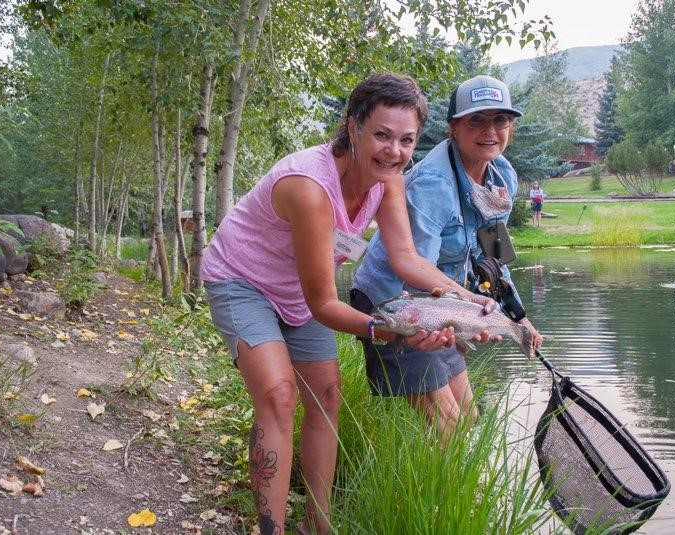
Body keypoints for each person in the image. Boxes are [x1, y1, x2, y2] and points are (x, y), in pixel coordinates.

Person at [200, 73, 496, 535]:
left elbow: (405, 257)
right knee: (279, 395)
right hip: (242, 281)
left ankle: (318, 525)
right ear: (353, 126)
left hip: (299, 289)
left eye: (406, 140)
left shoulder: (388, 180)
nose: (393, 151)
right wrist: (389, 332)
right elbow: (324, 304)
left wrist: (467, 300)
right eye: (381, 135)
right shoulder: (309, 185)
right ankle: (271, 529)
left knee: (328, 396)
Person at [351, 74, 543, 439]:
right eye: (477, 120)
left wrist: (519, 319)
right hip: (397, 304)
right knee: (447, 424)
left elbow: (494, 253)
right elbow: (411, 270)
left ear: (511, 127)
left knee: (468, 417)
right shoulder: (433, 184)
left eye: (499, 120)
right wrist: (467, 313)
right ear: (453, 128)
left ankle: (455, 494)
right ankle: (426, 498)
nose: (490, 131)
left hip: (447, 307)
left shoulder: (501, 176)